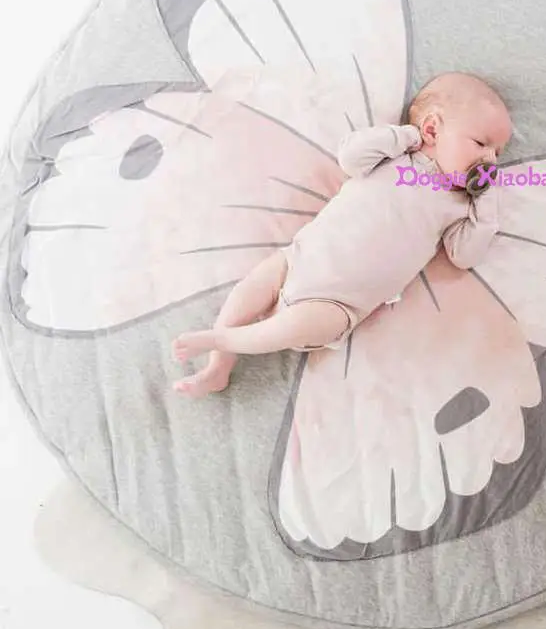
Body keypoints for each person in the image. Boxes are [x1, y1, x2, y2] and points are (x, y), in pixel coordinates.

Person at [171, 72, 512, 397]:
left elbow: (463, 256)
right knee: (251, 287)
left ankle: (223, 339)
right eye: (481, 143)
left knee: (290, 326)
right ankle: (218, 367)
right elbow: (350, 157)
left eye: (497, 153)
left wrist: (486, 205)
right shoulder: (394, 157)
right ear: (432, 129)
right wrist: (405, 136)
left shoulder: (458, 204)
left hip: (338, 305)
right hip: (299, 258)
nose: (490, 160)